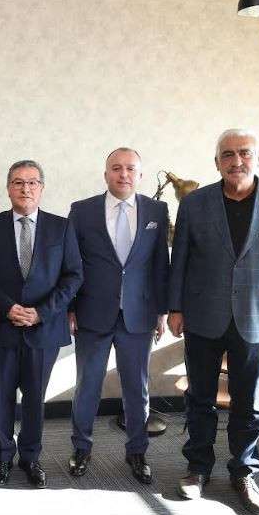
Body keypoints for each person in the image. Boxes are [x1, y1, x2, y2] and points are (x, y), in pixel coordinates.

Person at [168, 129, 259, 515]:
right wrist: (175, 308)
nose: (236, 160)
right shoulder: (194, 203)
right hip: (202, 315)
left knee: (249, 403)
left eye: (244, 153)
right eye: (227, 154)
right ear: (216, 163)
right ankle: (197, 468)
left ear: (258, 158)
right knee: (199, 399)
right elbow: (180, 259)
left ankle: (244, 472)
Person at [0, 160, 82, 488]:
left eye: (32, 182)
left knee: (35, 397)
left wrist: (41, 312)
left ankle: (31, 458)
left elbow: (73, 276)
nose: (26, 189)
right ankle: (3, 457)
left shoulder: (61, 227)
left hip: (44, 328)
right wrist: (7, 308)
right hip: (2, 327)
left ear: (42, 188)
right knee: (2, 395)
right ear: (8, 188)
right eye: (18, 182)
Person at [67, 148, 169, 484]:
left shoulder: (156, 210)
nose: (123, 174)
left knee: (137, 388)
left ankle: (137, 452)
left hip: (139, 315)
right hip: (92, 314)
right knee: (87, 387)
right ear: (106, 173)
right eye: (116, 168)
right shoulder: (82, 211)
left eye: (130, 169)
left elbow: (160, 264)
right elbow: (72, 264)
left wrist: (162, 311)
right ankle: (81, 448)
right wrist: (70, 308)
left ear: (140, 175)